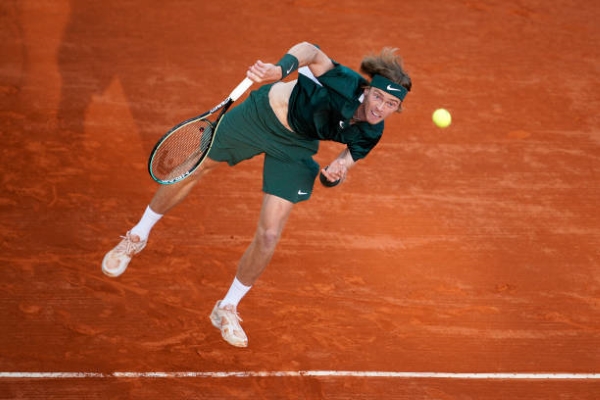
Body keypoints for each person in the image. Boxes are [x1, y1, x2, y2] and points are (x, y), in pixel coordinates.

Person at [102, 41, 411, 348]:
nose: (378, 108)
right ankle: (137, 236)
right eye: (377, 97)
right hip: (262, 115)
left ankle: (227, 307)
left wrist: (335, 173)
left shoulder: (372, 132)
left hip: (297, 146)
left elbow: (344, 163)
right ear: (367, 90)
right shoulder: (344, 81)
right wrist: (278, 69)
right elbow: (311, 50)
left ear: (397, 109)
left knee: (269, 234)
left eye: (389, 105)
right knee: (194, 167)